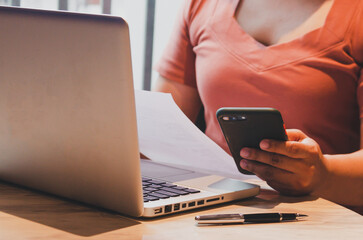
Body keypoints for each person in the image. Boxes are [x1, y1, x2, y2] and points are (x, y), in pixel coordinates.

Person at [153, 0, 363, 213]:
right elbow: (157, 133)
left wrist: (322, 176)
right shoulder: (201, 5)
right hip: (205, 210)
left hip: (320, 219)